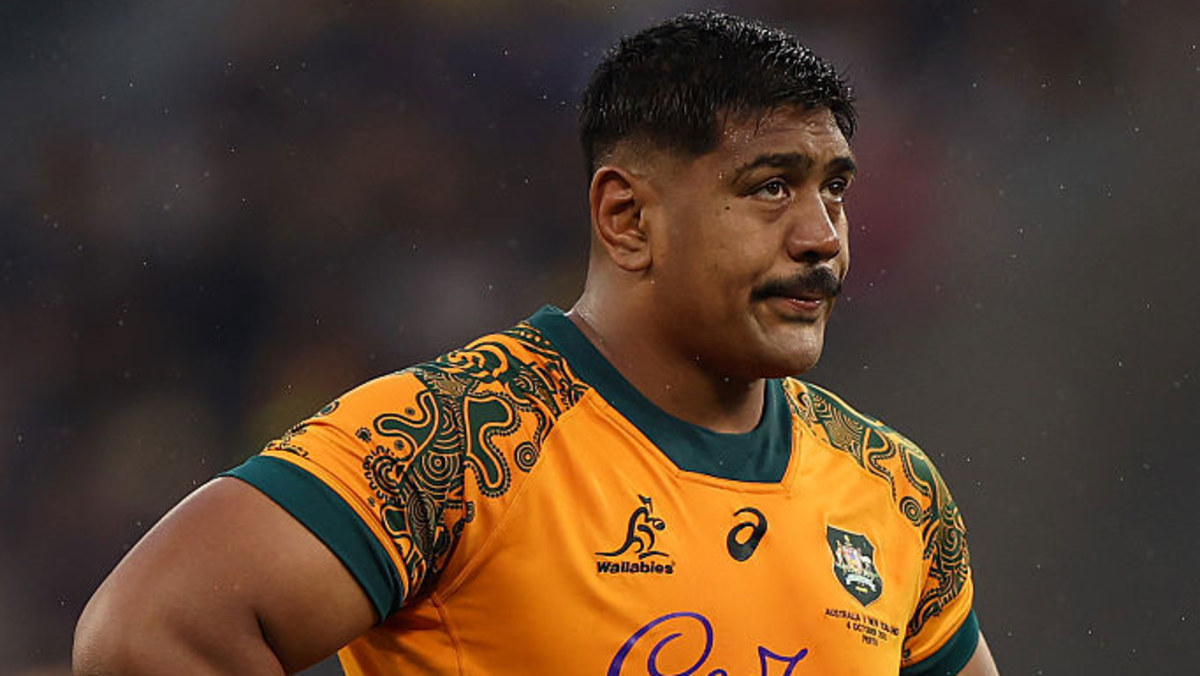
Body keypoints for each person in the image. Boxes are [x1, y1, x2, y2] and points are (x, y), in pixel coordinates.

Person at [74, 11, 999, 675]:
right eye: (770, 188)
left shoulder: (894, 490)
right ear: (627, 218)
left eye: (834, 189)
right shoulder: (461, 436)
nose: (823, 238)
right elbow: (147, 633)